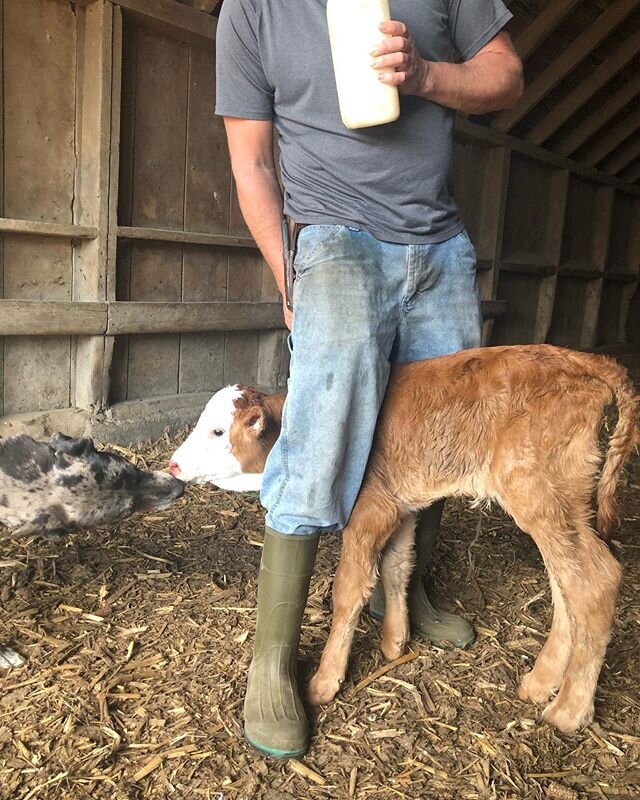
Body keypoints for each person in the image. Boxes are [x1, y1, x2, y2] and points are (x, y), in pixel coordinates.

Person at [215, 0, 523, 758]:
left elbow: (506, 75)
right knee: (320, 436)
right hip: (335, 235)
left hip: (439, 242)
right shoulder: (253, 11)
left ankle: (406, 596)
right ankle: (272, 659)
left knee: (440, 441)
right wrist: (289, 275)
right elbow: (251, 159)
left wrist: (423, 74)